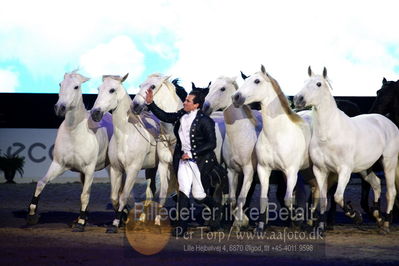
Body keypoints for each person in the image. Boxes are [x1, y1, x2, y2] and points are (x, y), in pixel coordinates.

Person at [145, 88, 222, 237]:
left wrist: (192, 153)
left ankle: (216, 207)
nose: (184, 102)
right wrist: (151, 104)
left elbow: (211, 143)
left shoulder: (206, 121)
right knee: (183, 192)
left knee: (199, 196)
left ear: (196, 105)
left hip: (199, 162)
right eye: (185, 99)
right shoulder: (182, 115)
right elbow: (166, 116)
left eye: (188, 101)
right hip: (183, 162)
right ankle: (182, 227)